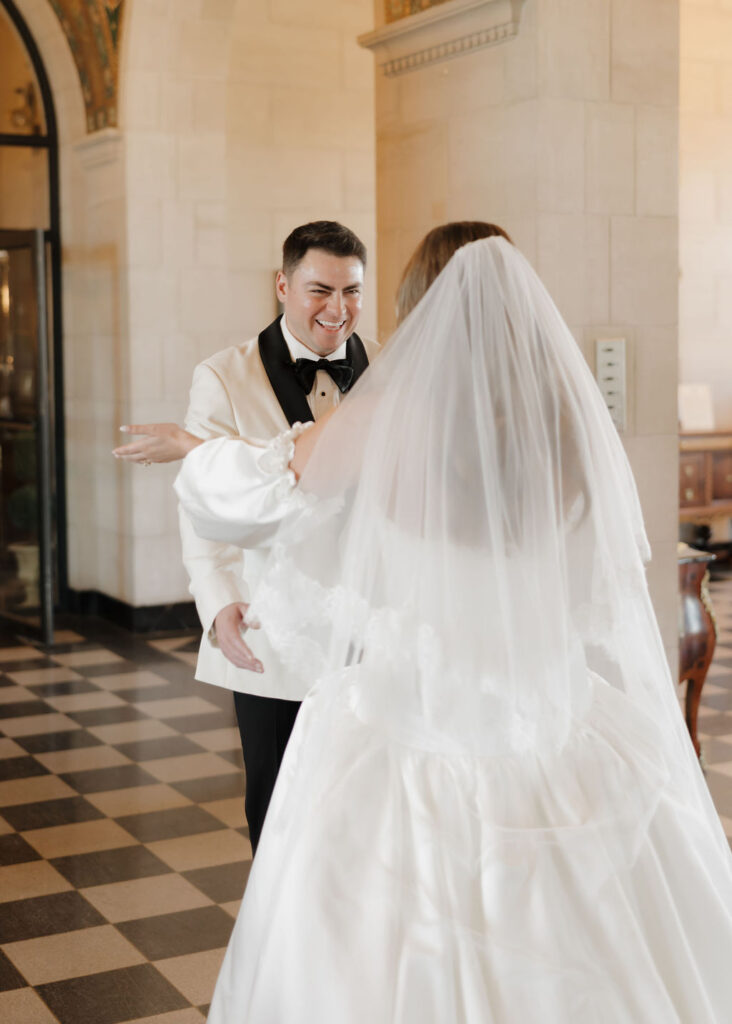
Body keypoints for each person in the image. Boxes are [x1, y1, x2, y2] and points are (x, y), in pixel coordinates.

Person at [170, 227, 732, 1022]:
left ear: (414, 308)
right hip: (548, 712)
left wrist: (193, 455)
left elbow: (263, 493)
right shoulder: (568, 428)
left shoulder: (386, 423)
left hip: (410, 715)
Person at [113, 220, 379, 853]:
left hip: (371, 623)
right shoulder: (223, 375)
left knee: (366, 794)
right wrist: (216, 599)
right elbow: (200, 502)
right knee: (277, 795)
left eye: (352, 291)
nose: (337, 310)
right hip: (273, 625)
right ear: (282, 284)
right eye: (320, 290)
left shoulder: (388, 366)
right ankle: (278, 939)